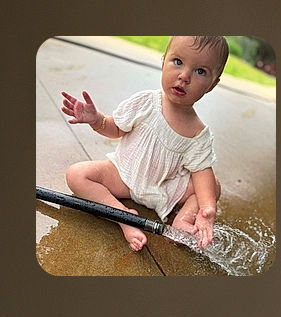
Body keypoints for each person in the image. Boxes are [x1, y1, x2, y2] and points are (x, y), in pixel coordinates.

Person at [62, 36, 228, 251]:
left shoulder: (198, 133)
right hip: (123, 174)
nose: (184, 76)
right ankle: (122, 216)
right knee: (76, 174)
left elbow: (201, 170)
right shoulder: (145, 102)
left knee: (212, 186)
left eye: (200, 71)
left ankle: (183, 221)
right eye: (178, 61)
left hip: (163, 188)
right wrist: (96, 120)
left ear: (212, 85)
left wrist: (207, 209)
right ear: (163, 61)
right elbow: (116, 128)